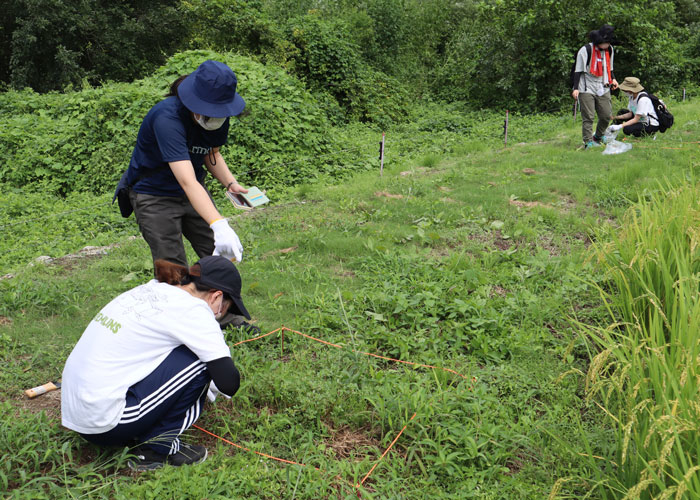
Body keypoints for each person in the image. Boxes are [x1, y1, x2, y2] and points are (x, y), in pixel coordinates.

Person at [61, 255, 249, 471]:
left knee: (186, 353)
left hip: (78, 412)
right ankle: (156, 450)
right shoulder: (194, 310)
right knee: (200, 361)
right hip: (104, 423)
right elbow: (229, 382)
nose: (219, 316)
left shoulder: (152, 290)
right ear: (217, 297)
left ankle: (141, 430)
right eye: (225, 309)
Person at [114, 60, 248, 267]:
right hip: (154, 196)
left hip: (192, 191)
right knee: (173, 270)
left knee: (221, 260)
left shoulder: (219, 116)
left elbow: (212, 155)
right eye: (213, 112)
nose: (218, 118)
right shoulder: (167, 118)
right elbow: (187, 181)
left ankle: (219, 298)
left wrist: (231, 184)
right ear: (196, 104)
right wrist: (219, 224)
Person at [571, 25, 619, 149]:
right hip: (586, 86)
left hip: (603, 85)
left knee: (606, 115)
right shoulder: (586, 50)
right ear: (599, 42)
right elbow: (578, 70)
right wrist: (575, 88)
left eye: (608, 43)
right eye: (605, 43)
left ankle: (598, 136)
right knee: (589, 116)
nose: (607, 45)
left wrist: (613, 79)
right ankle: (588, 142)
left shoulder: (610, 50)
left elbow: (610, 68)